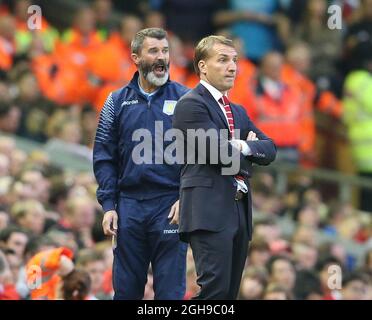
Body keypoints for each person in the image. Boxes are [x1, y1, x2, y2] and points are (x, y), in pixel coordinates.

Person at [173, 35, 276, 299]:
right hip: (209, 209)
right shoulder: (191, 104)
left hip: (239, 209)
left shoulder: (238, 111)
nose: (232, 67)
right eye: (223, 60)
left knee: (228, 294)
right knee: (215, 293)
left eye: (234, 60)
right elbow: (217, 153)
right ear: (202, 66)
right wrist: (247, 149)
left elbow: (270, 149)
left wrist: (241, 146)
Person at [93, 28, 188, 300]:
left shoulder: (187, 100)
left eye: (166, 51)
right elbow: (104, 156)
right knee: (125, 292)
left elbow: (201, 157)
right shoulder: (115, 101)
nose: (162, 58)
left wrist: (186, 197)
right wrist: (109, 206)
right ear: (136, 57)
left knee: (170, 293)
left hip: (170, 204)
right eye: (154, 51)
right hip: (129, 205)